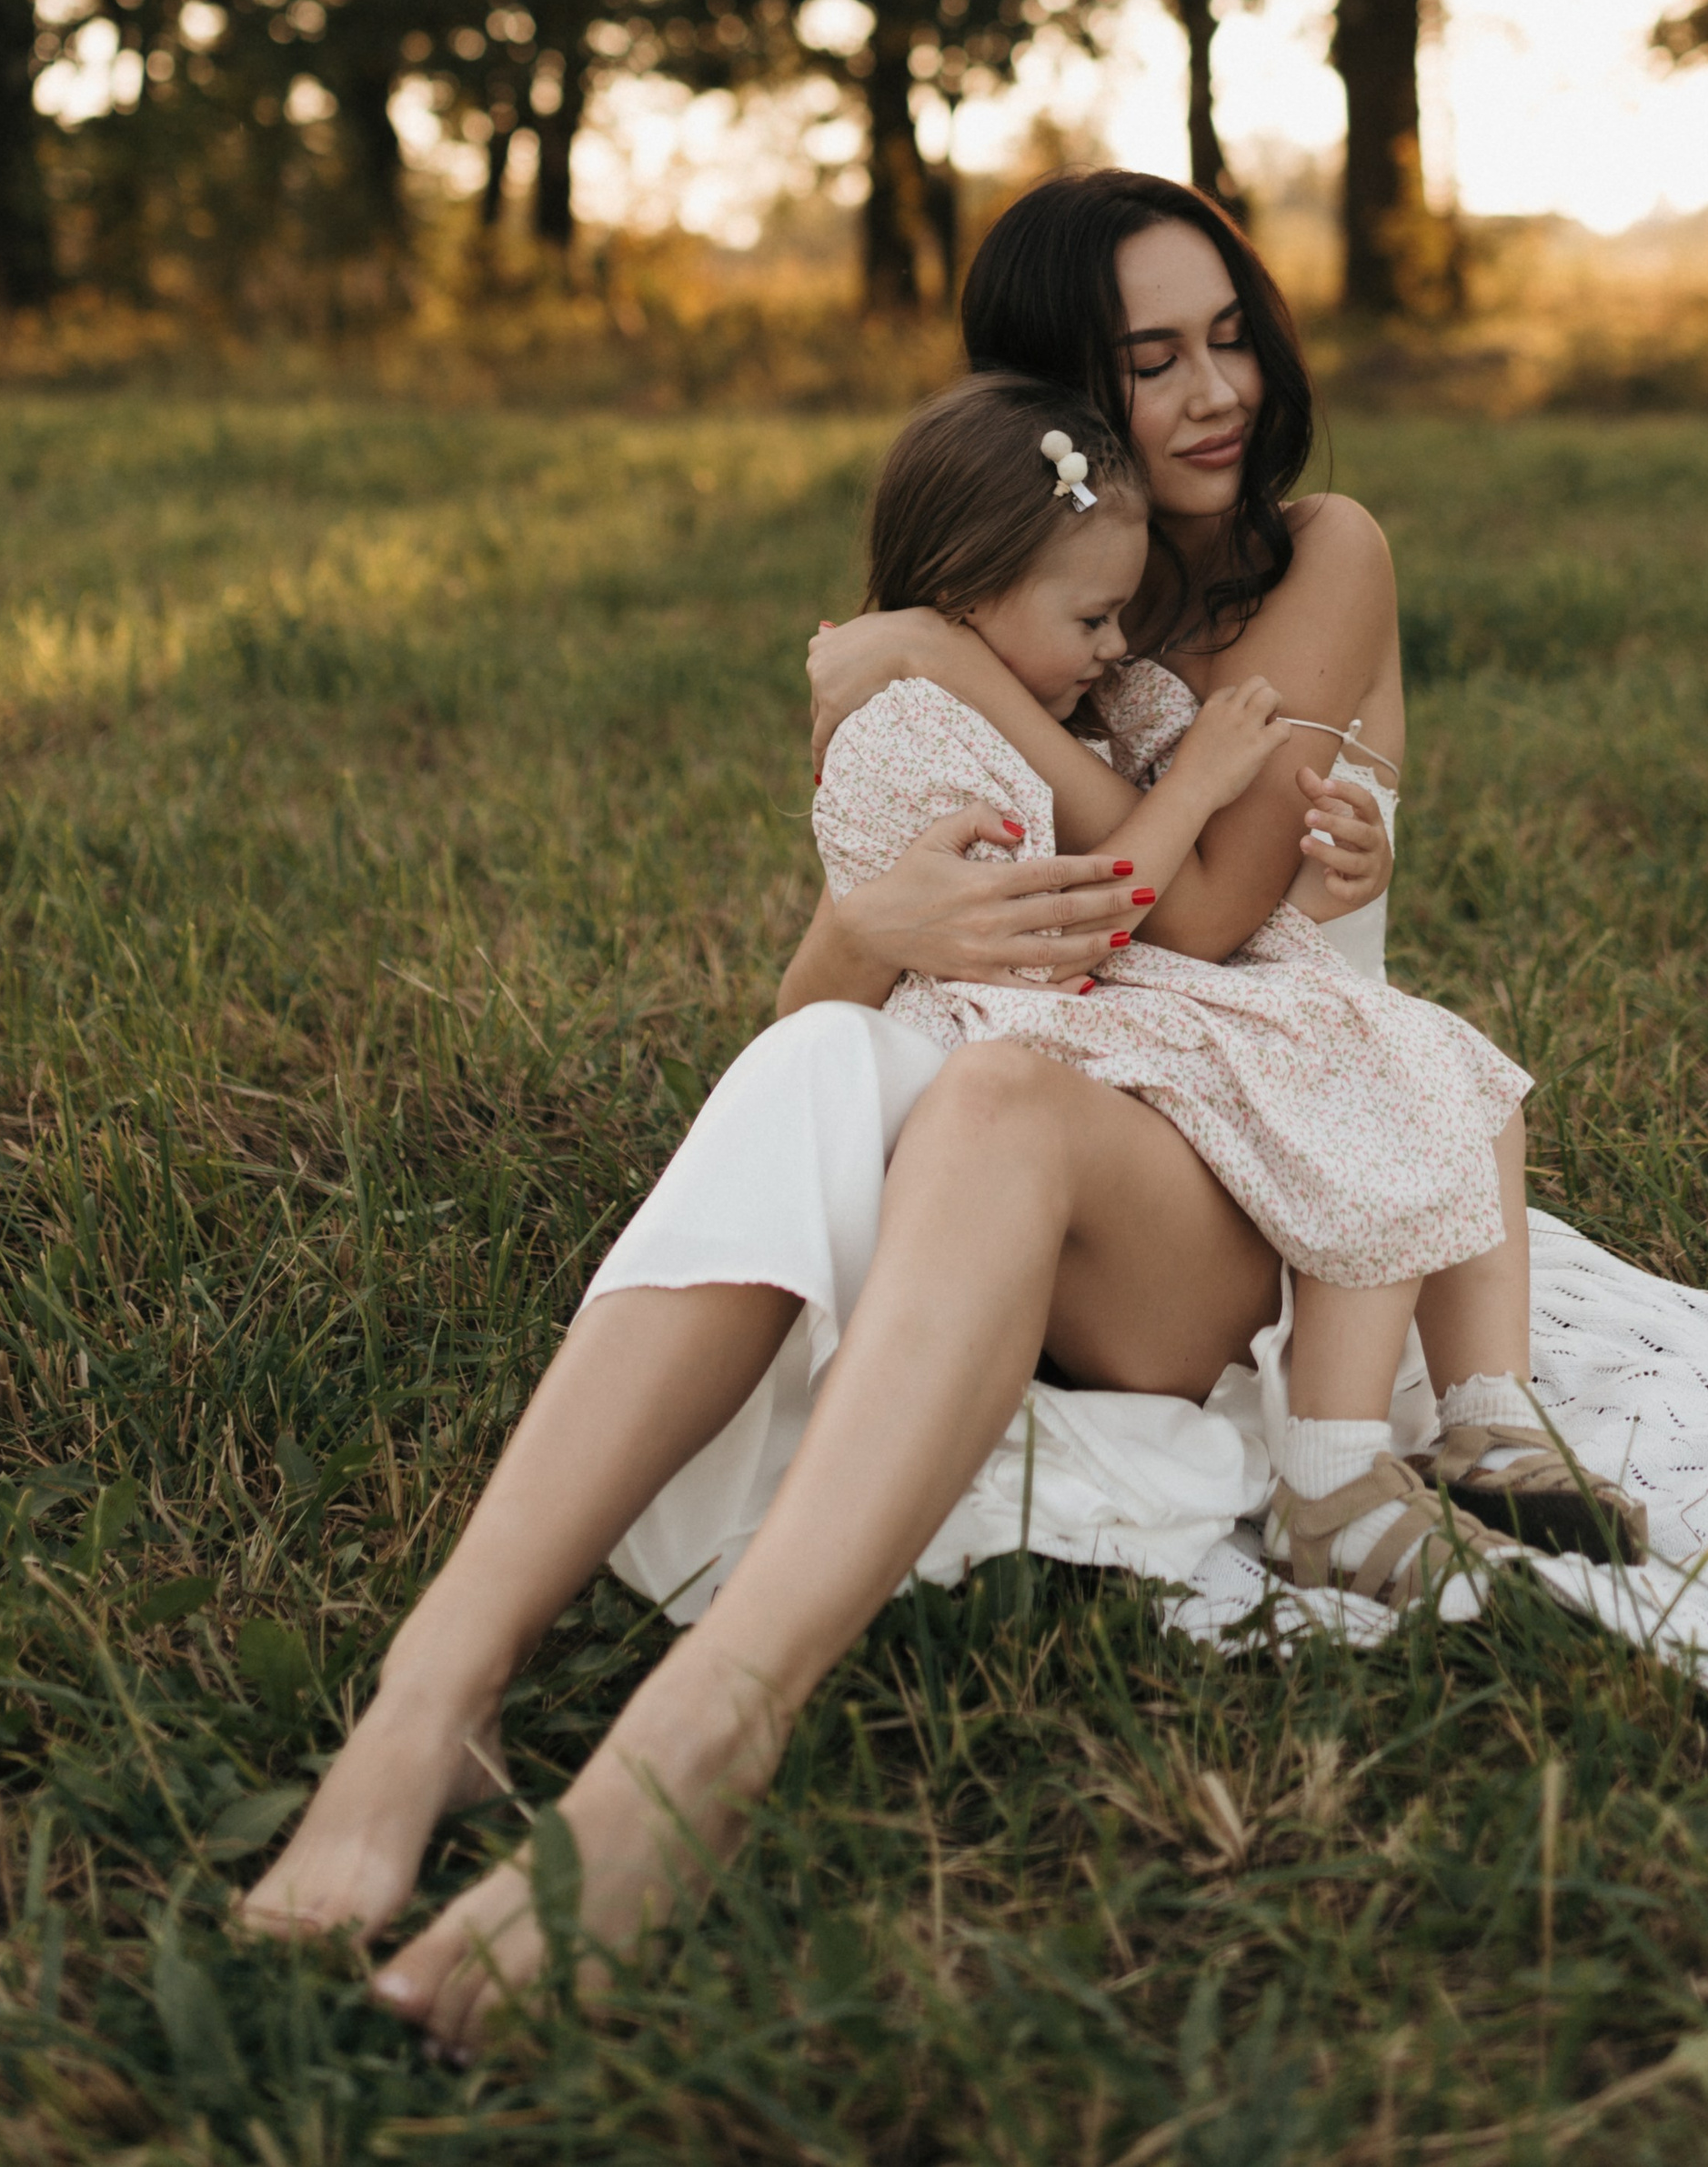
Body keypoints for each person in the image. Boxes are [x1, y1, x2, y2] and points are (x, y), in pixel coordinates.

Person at [235, 173, 1596, 2050]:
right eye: (1148, 360)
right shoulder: (1002, 600)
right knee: (826, 1068)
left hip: (1252, 1171)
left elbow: (1192, 912)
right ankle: (429, 1695)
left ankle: (702, 1736)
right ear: (1051, 410)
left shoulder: (1317, 554)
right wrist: (867, 911)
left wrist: (939, 655)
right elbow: (812, 1020)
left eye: (1228, 336)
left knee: (999, 1096)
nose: (1211, 391)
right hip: (1043, 1105)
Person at [814, 366, 1573, 1602]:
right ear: (968, 598)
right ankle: (1331, 1470)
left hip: (1132, 1009)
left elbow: (1241, 877)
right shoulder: (913, 729)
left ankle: (1490, 1415)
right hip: (1046, 1036)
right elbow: (1080, 924)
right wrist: (1193, 786)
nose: (1118, 644)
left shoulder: (1088, 680)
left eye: (1121, 616)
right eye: (1095, 620)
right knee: (1353, 1078)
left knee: (1454, 1072)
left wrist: (1345, 844)